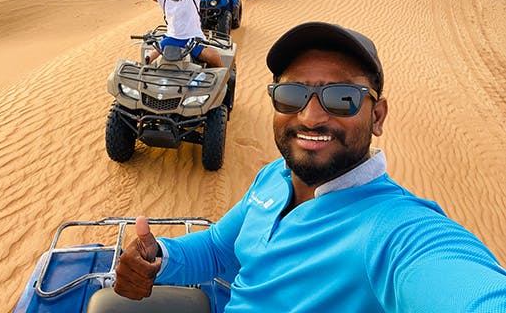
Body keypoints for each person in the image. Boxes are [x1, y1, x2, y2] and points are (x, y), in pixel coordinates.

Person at [113, 22, 506, 311]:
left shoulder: (395, 230)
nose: (311, 116)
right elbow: (219, 249)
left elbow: (465, 289)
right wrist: (160, 257)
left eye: (342, 98)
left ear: (378, 115)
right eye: (291, 94)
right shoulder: (273, 177)